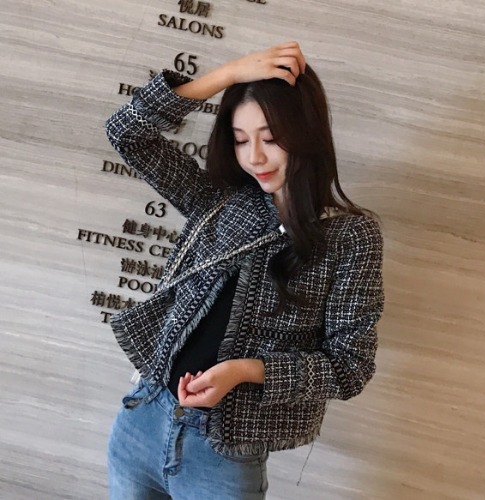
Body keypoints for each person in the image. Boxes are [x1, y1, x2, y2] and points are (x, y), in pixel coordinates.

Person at [104, 41, 384, 500]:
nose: (254, 157)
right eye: (239, 139)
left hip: (222, 457)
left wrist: (245, 371)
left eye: (270, 138)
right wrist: (227, 76)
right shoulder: (219, 200)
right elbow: (126, 133)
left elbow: (349, 367)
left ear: (306, 132)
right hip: (142, 420)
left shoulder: (349, 237)